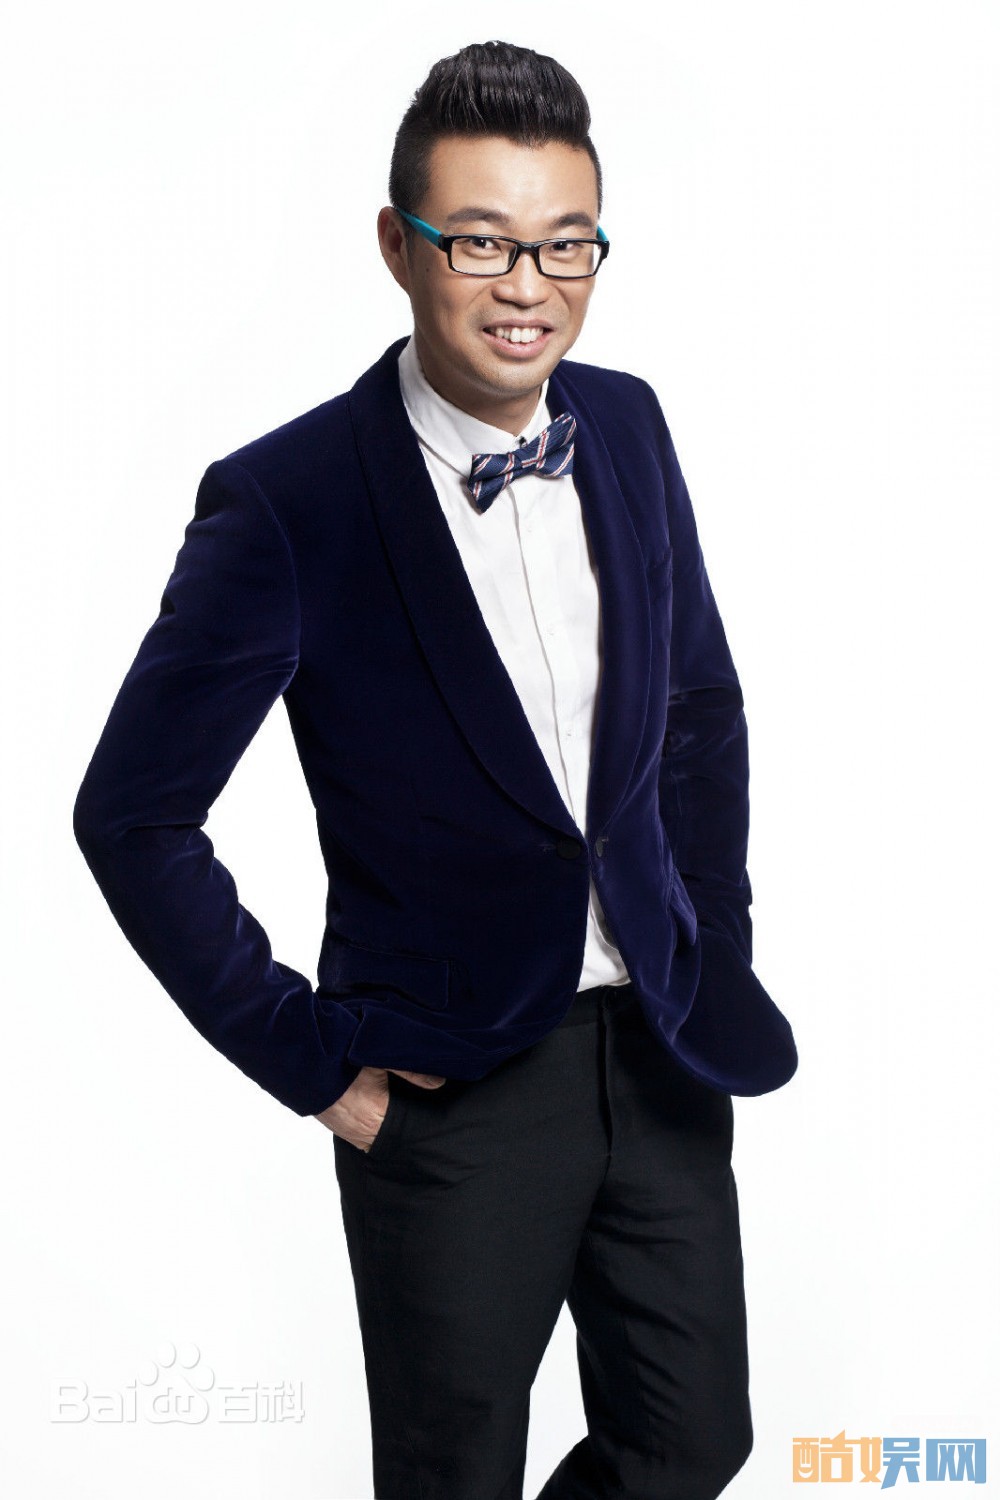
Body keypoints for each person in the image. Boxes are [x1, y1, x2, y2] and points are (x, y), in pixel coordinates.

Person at [74, 39, 797, 1500]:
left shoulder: (629, 424)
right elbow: (134, 816)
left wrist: (710, 940)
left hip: (654, 1047)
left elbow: (698, 710)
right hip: (450, 1090)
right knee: (451, 1474)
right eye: (481, 241)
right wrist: (313, 1065)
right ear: (399, 246)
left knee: (690, 1437)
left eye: (565, 243)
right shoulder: (288, 501)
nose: (529, 284)